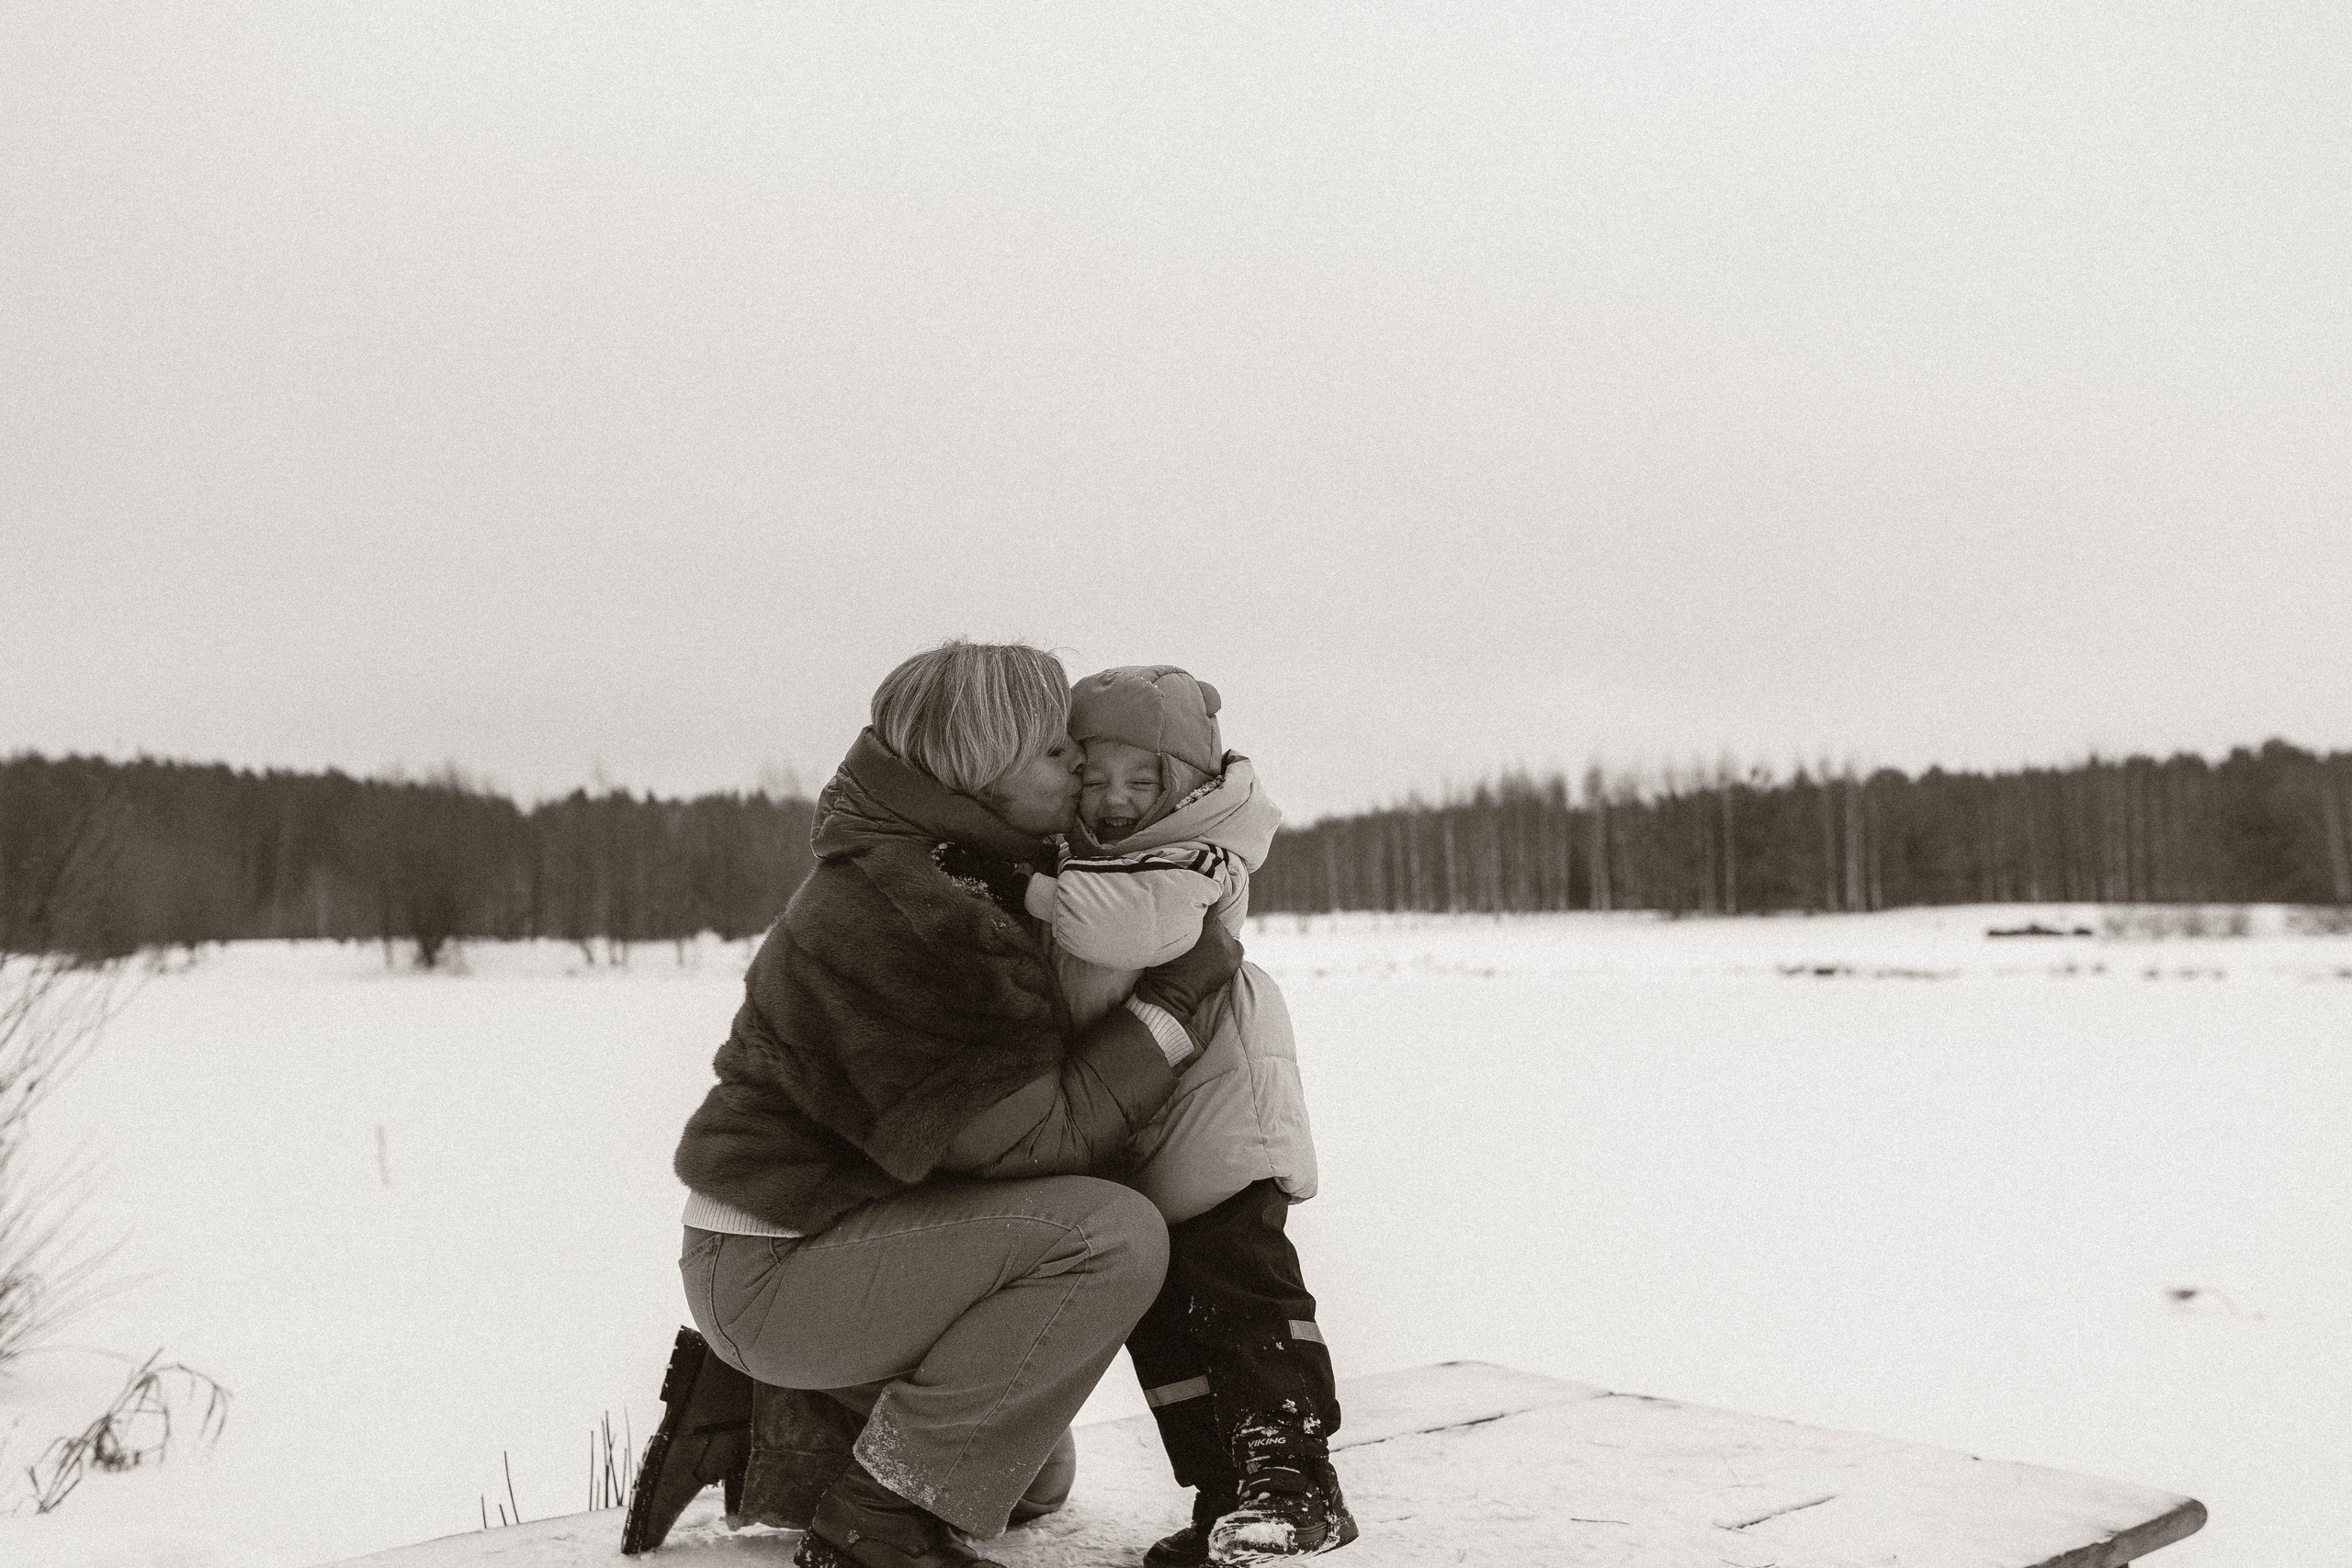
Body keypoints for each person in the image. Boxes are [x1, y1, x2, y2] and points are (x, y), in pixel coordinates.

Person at [627, 641, 1243, 1568]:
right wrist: (1174, 1003)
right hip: (774, 1266)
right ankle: (871, 1530)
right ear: (980, 769)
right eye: (1052, 753)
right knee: (1114, 1234)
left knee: (1028, 1481)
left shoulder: (952, 868)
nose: (1076, 767)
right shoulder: (922, 909)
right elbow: (1037, 1139)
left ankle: (773, 1419)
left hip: (825, 1235)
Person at [964, 666, 1352, 1564]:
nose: (1114, 801)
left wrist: (1017, 886)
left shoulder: (1201, 853)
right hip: (1143, 1121)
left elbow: (1123, 932)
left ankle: (1293, 1476)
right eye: (1094, 781)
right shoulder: (1084, 859)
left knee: (1240, 1285)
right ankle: (1226, 1499)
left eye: (1142, 782)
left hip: (1219, 1116)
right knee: (1165, 1318)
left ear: (1187, 785)